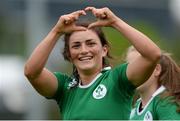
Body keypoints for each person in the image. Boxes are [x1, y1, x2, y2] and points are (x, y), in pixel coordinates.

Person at [24, 7, 161, 120]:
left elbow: (152, 55)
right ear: (69, 55)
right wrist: (56, 31)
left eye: (91, 44)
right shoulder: (64, 88)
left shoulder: (117, 80)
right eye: (76, 46)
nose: (84, 50)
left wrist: (115, 22)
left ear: (104, 50)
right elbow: (31, 72)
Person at [126, 46, 180, 120]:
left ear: (157, 70)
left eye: (138, 66)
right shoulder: (135, 108)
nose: (132, 72)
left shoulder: (166, 103)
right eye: (128, 66)